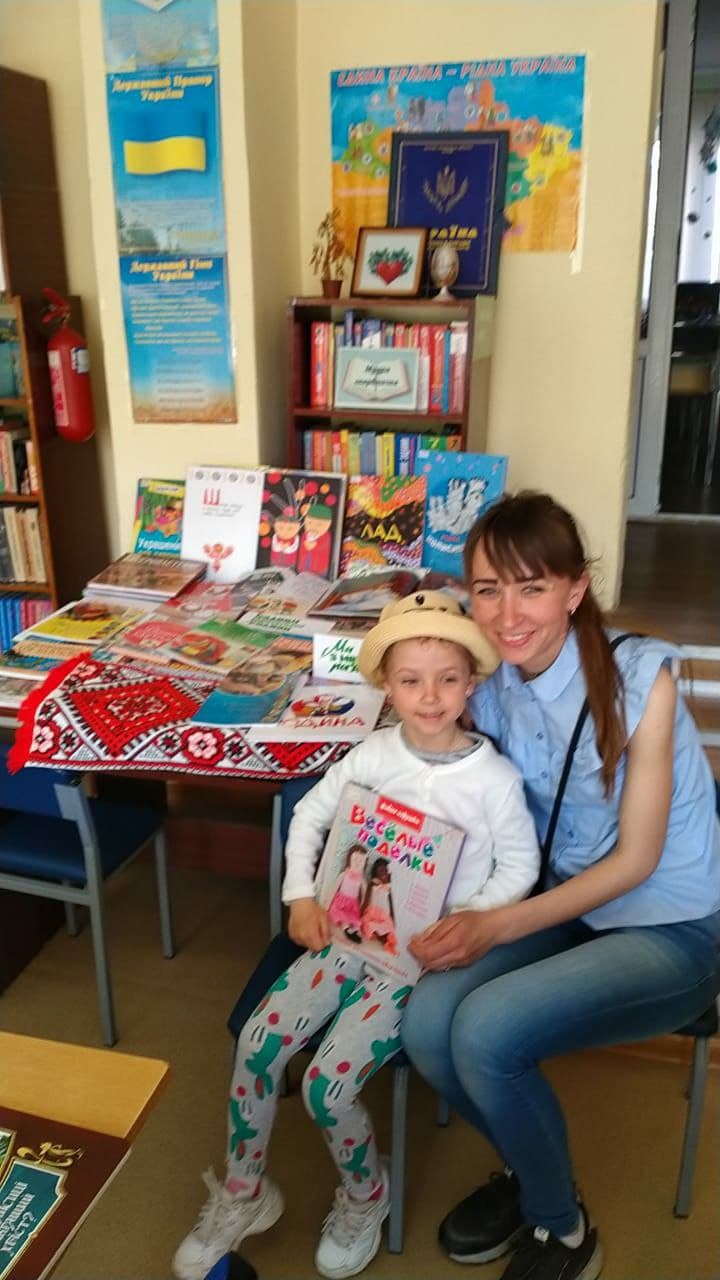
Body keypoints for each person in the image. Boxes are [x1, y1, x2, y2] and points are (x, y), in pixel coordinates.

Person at [172, 592, 540, 1280]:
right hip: (343, 939)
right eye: (410, 680)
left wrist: (469, 918)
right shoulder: (373, 754)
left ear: (472, 683)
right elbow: (310, 818)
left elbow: (520, 866)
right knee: (256, 1045)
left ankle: (367, 1193)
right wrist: (300, 894)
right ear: (386, 687)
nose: (429, 696)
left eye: (447, 679)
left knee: (326, 1086)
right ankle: (246, 1190)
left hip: (415, 963)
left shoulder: (492, 780)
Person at [401, 491, 720, 1280]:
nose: (508, 614)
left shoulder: (640, 677)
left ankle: (563, 1229)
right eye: (488, 589)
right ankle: (537, 1173)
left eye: (533, 587)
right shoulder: (490, 677)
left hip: (670, 925)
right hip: (561, 899)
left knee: (486, 1033)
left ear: (575, 590)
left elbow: (637, 861)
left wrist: (492, 926)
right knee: (427, 1022)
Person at [360, 859, 398, 955]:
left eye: (385, 871)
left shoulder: (388, 887)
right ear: (375, 874)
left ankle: (388, 939)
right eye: (381, 871)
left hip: (383, 915)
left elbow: (391, 903)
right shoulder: (372, 884)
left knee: (389, 926)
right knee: (367, 924)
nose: (384, 873)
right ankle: (383, 940)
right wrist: (361, 911)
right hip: (372, 913)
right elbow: (366, 899)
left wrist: (392, 916)